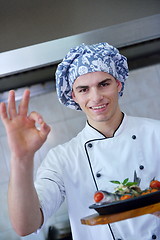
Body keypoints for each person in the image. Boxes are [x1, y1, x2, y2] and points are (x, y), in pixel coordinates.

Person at [0, 42, 160, 240]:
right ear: (73, 96)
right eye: (84, 89)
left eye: (104, 84)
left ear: (118, 84)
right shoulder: (63, 158)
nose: (96, 97)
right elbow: (25, 225)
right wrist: (21, 158)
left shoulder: (156, 133)